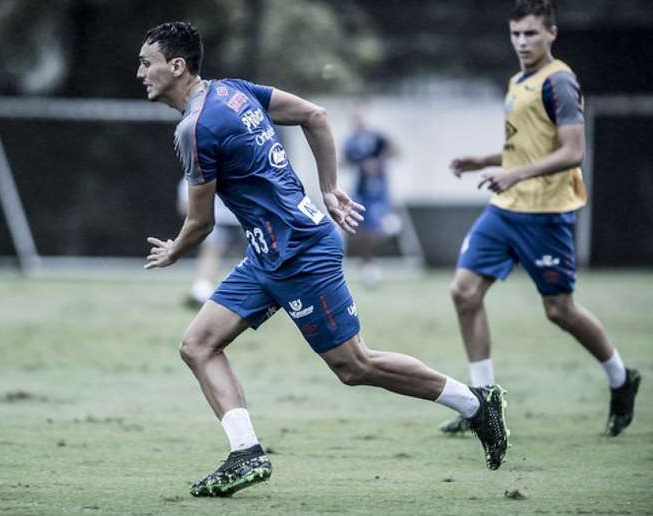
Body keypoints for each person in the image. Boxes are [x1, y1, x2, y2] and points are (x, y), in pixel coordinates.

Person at [137, 21, 509, 498]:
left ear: (177, 66)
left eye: (147, 63)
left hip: (302, 252)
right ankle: (246, 453)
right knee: (198, 344)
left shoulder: (194, 128)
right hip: (269, 254)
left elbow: (202, 223)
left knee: (355, 366)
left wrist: (174, 250)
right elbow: (315, 114)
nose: (141, 72)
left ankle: (477, 405)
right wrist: (330, 188)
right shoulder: (233, 90)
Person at [441, 0, 640, 437]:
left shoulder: (560, 82)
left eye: (530, 34)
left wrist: (512, 172)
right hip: (506, 209)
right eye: (515, 34)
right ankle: (482, 402)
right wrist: (484, 160)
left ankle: (621, 378)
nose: (521, 43)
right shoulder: (517, 82)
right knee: (464, 292)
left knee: (559, 310)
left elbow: (573, 152)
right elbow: (526, 146)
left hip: (546, 214)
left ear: (552, 33)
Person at [342, 104, 399, 288]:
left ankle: (389, 234)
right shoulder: (351, 141)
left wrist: (377, 162)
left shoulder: (377, 136)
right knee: (358, 228)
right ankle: (368, 265)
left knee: (377, 228)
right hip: (360, 190)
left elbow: (395, 151)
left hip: (378, 190)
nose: (357, 120)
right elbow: (344, 161)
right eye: (354, 117)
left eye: (360, 116)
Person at [176, 178, 242, 308]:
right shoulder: (201, 168)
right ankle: (202, 291)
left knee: (252, 256)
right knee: (211, 251)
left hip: (243, 217)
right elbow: (185, 203)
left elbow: (184, 204)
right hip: (218, 217)